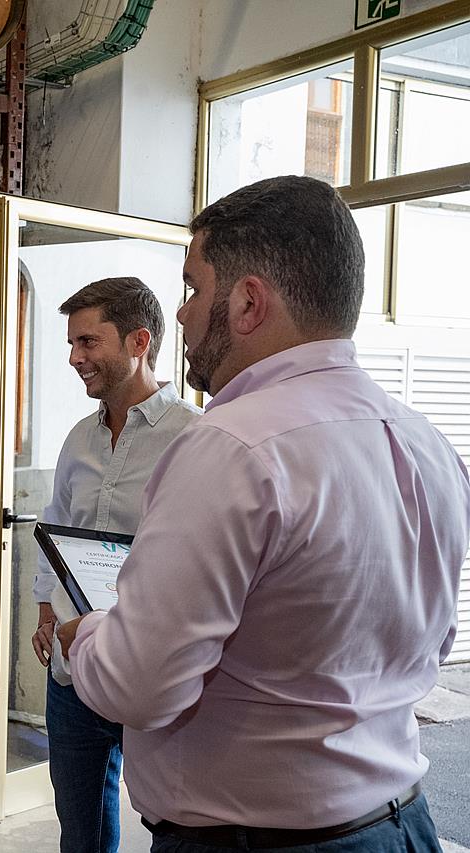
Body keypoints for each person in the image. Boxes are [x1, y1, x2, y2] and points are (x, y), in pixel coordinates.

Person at [58, 175, 470, 852]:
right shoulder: (426, 441)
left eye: (193, 288)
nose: (182, 315)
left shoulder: (229, 448)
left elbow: (139, 685)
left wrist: (88, 633)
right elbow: (428, 641)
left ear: (248, 302)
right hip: (401, 826)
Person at [31, 277, 200, 853]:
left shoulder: (193, 436)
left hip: (149, 663)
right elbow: (55, 527)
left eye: (88, 342)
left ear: (138, 341)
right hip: (73, 667)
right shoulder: (79, 438)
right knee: (80, 831)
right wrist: (46, 613)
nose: (74, 358)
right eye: (72, 344)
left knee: (174, 825)